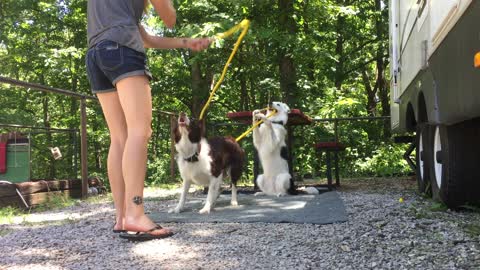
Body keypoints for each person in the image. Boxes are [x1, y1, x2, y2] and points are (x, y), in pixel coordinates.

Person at [85, 0, 211, 241]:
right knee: (139, 132)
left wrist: (187, 42)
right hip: (122, 51)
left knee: (120, 137)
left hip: (96, 54)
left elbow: (146, 38)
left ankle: (123, 217)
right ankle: (135, 212)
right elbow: (169, 18)